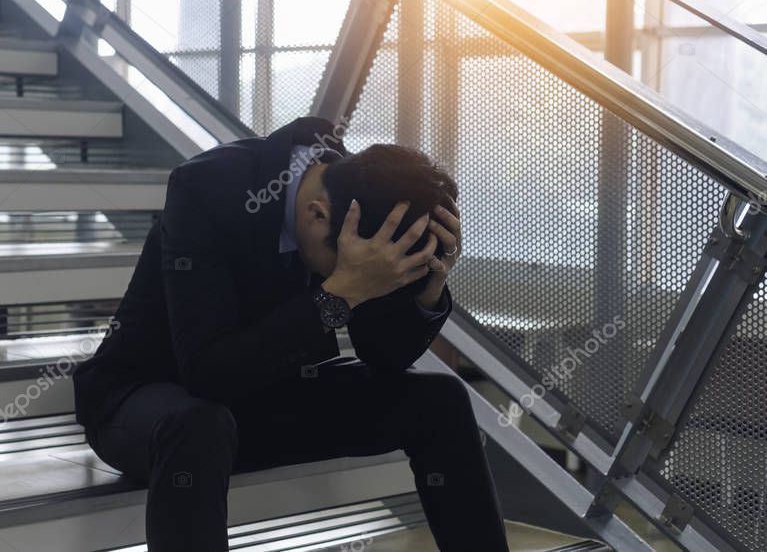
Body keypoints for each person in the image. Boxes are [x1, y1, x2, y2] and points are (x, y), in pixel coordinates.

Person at [73, 116, 509, 551]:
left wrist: (427, 290)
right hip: (148, 402)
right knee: (199, 424)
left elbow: (384, 359)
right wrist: (340, 292)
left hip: (263, 398)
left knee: (441, 400)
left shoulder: (363, 201)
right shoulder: (208, 187)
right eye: (348, 269)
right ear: (317, 214)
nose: (355, 279)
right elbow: (207, 374)